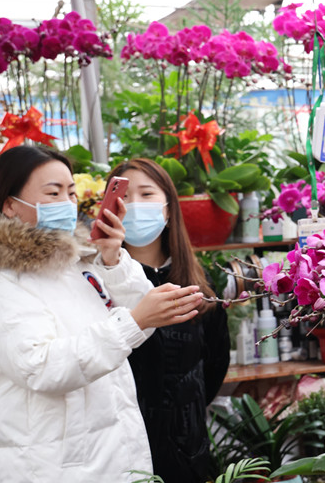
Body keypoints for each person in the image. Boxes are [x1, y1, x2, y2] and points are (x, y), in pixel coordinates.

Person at [0, 146, 204, 483]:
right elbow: (40, 367)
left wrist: (113, 259)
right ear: (10, 205)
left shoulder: (74, 263)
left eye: (71, 192)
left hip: (109, 456)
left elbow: (139, 323)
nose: (67, 202)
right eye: (53, 192)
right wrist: (134, 322)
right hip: (51, 467)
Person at [107, 158, 231, 483]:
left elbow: (215, 364)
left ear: (169, 210)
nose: (134, 205)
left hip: (186, 451)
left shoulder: (198, 286)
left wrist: (185, 412)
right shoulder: (98, 282)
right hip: (117, 452)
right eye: (124, 196)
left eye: (146, 194)